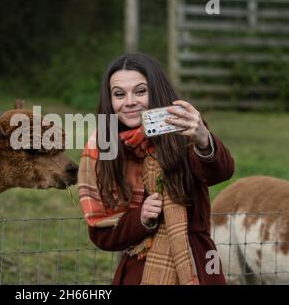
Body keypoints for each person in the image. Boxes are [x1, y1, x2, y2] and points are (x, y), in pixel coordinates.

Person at [78, 52, 235, 285]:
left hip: (195, 265)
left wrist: (203, 138)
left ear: (157, 90)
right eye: (119, 94)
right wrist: (139, 218)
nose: (129, 101)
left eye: (140, 91)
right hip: (138, 270)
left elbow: (220, 173)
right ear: (110, 102)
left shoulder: (182, 130)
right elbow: (101, 233)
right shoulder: (102, 149)